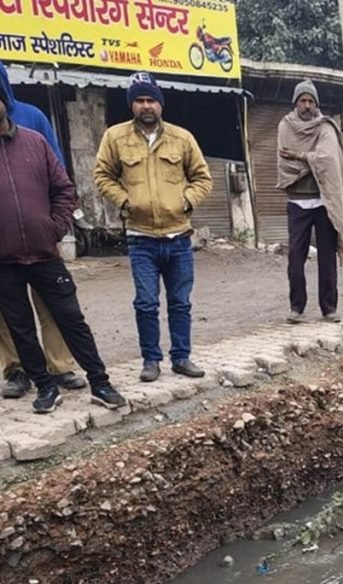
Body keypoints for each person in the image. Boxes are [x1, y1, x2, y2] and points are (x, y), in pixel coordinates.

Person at [0, 85, 126, 413]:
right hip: (4, 262)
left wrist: (54, 228)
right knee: (20, 327)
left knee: (71, 319)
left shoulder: (34, 142)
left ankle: (100, 382)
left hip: (45, 255)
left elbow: (64, 189)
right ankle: (44, 387)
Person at [95, 72, 212, 383]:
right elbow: (102, 176)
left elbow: (203, 178)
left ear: (160, 104)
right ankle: (151, 360)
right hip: (141, 238)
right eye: (139, 100)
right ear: (132, 105)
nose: (146, 106)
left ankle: (182, 357)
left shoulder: (182, 138)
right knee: (146, 303)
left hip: (178, 237)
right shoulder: (115, 138)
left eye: (151, 100)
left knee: (180, 301)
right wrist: (125, 201)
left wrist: (186, 202)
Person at [0, 61, 86, 400]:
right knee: (7, 313)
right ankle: (16, 369)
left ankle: (60, 366)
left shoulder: (33, 118)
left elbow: (60, 176)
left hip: (42, 240)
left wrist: (56, 226)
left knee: (54, 304)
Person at [275, 80, 343, 324]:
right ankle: (296, 307)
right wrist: (309, 162)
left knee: (327, 257)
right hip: (297, 202)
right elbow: (286, 162)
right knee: (295, 257)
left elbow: (328, 160)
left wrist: (301, 156)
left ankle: (329, 308)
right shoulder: (285, 126)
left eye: (311, 101)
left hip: (324, 202)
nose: (306, 105)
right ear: (295, 103)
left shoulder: (326, 127)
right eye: (302, 101)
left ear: (316, 104)